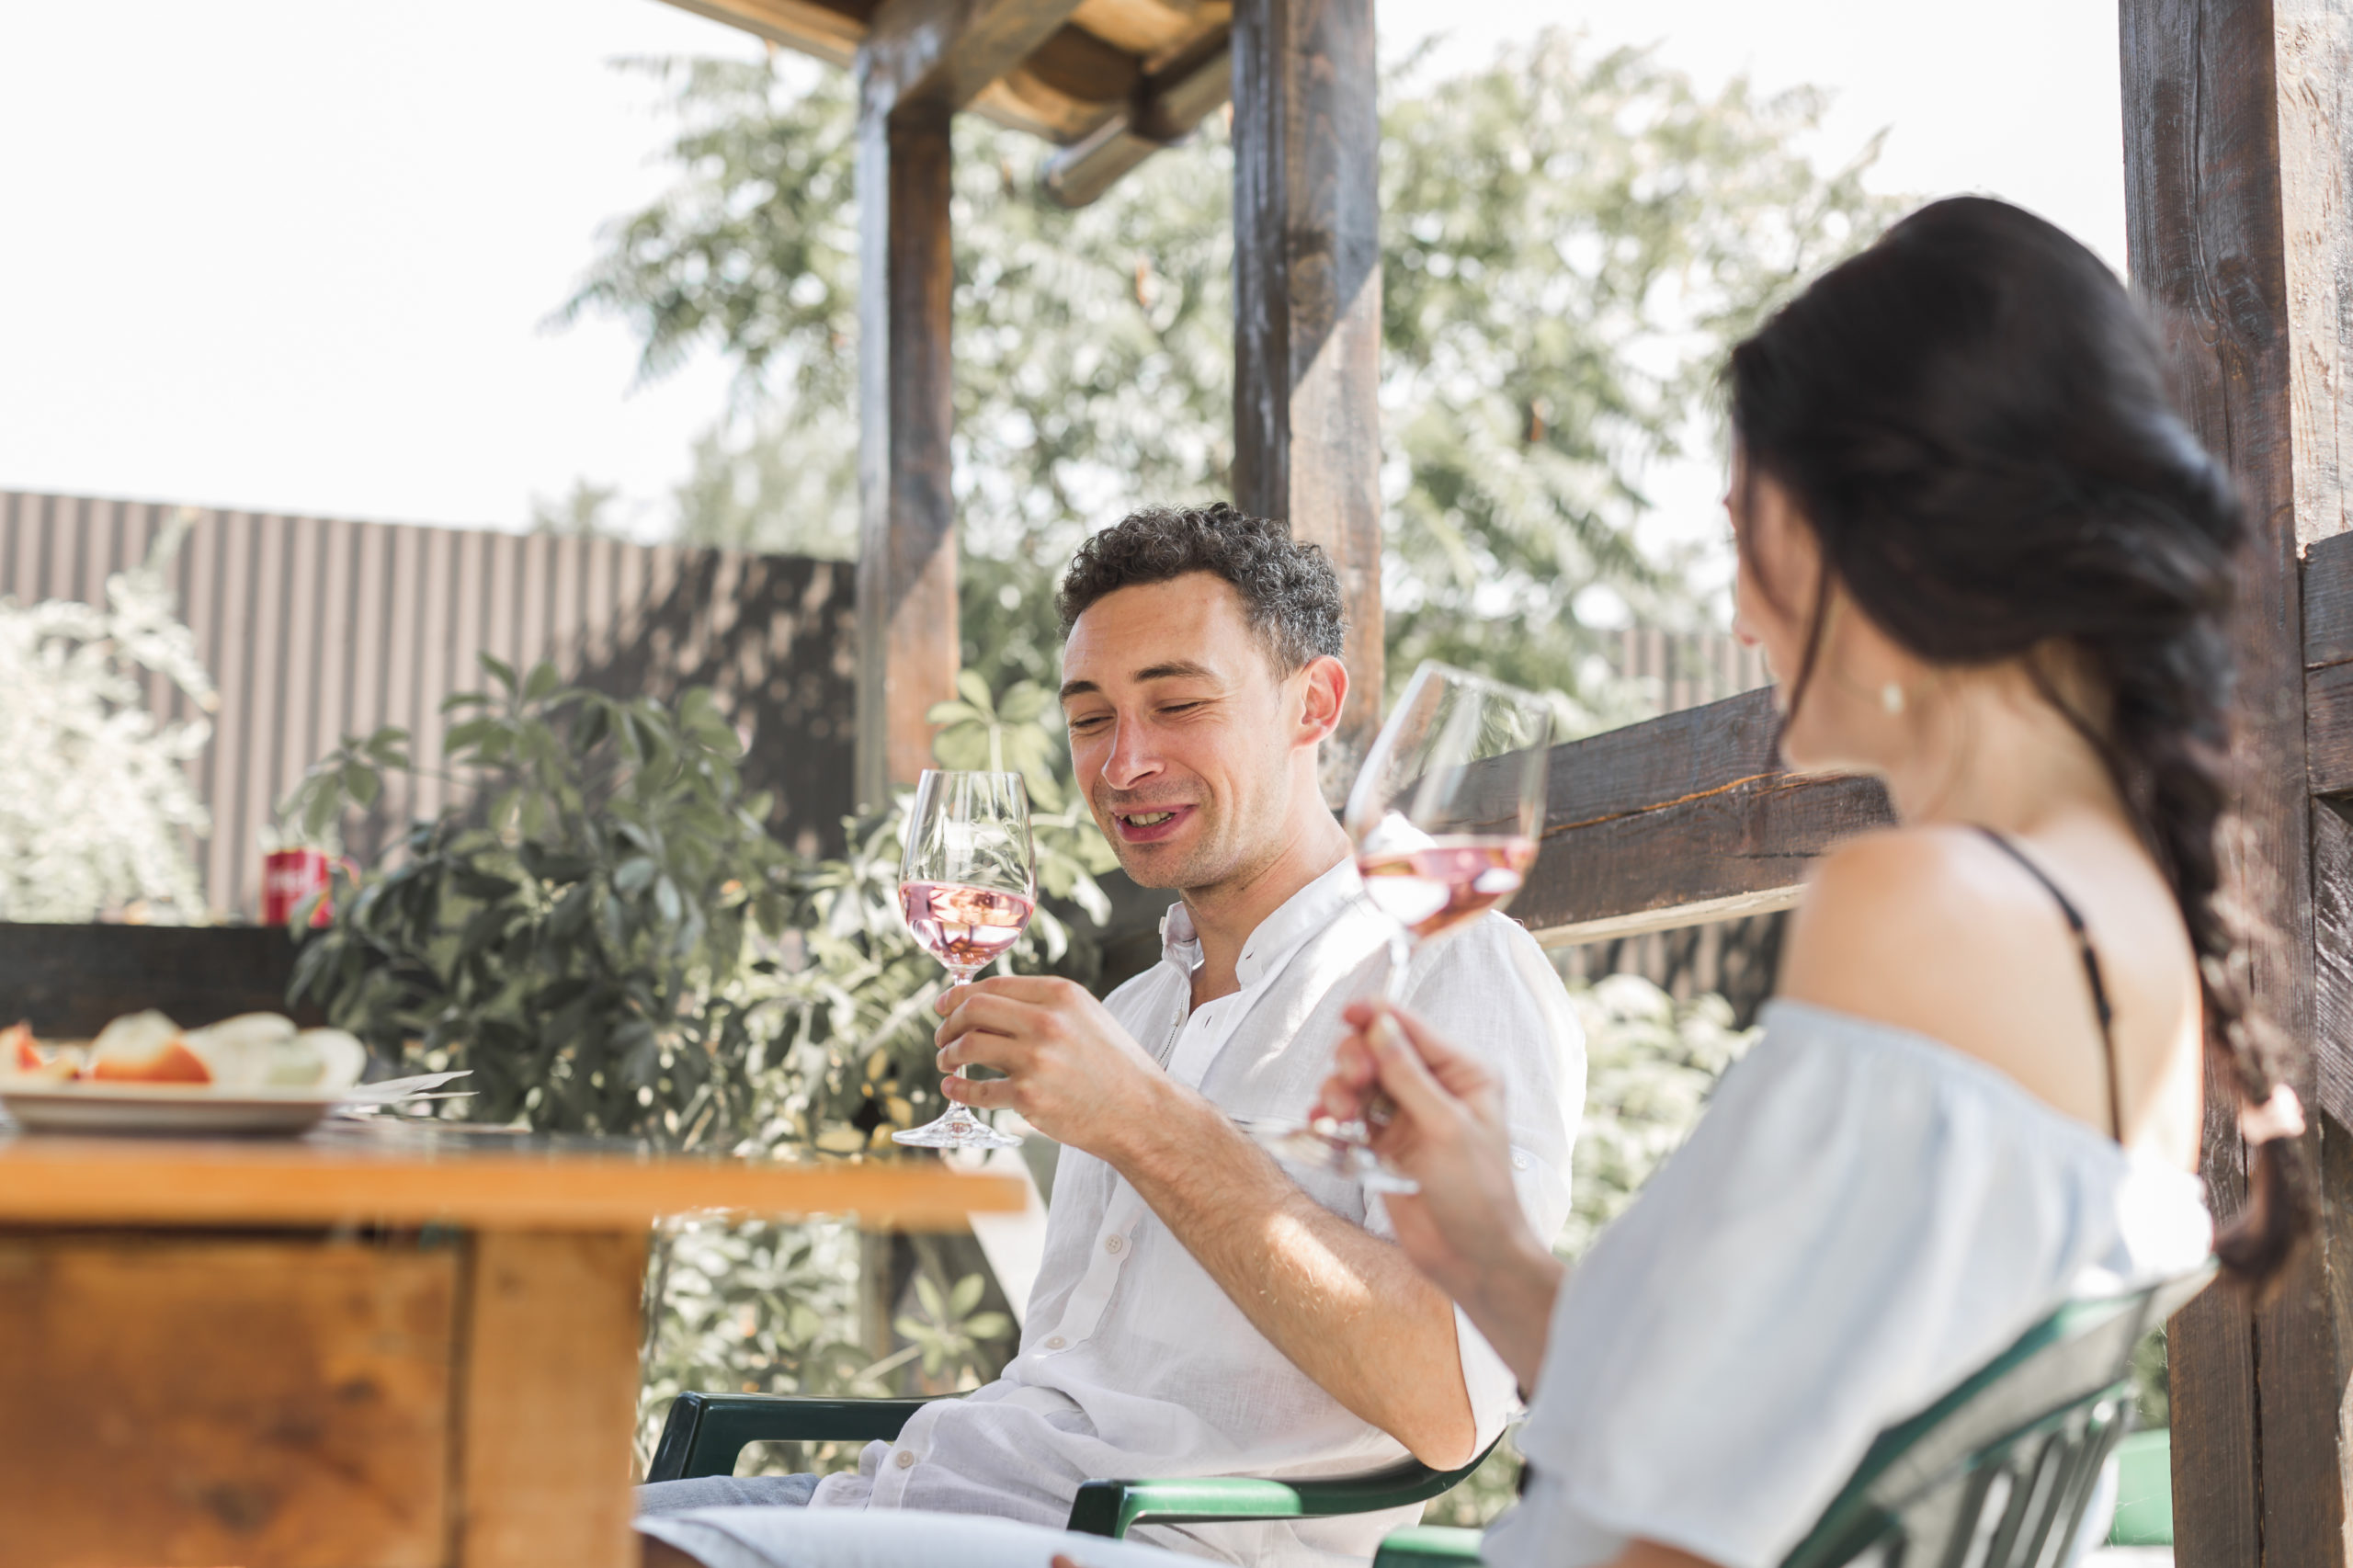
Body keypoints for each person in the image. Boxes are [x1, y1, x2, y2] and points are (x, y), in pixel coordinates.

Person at [1307, 195, 2313, 1567]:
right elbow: (1741, 1446)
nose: (1732, 608)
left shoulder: (1922, 907)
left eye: (1744, 532)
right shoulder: (2115, 930)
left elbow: (1684, 1542)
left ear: (1891, 525)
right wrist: (1482, 1244)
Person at [638, 505, 1582, 1568]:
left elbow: (1451, 1404)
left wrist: (1141, 1117)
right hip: (931, 1494)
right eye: (1090, 719)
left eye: (1177, 703)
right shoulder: (1138, 1007)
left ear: (1310, 703)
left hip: (1143, 1543)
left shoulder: (1457, 969)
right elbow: (1068, 1379)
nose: (1124, 762)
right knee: (493, 1517)